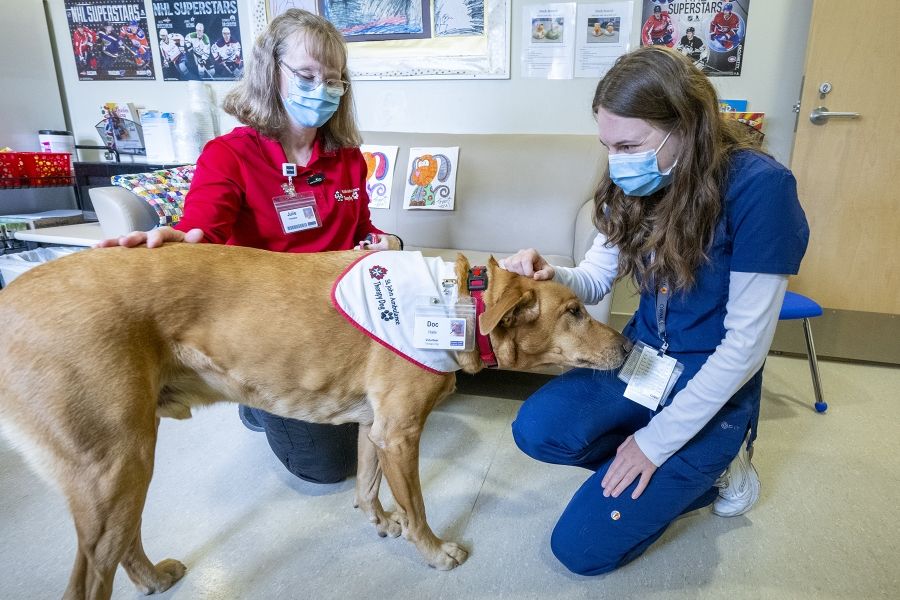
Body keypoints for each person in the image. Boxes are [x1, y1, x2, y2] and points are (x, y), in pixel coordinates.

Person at [502, 46, 809, 575]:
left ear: (686, 126)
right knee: (537, 428)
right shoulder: (642, 178)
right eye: (608, 146)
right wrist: (553, 275)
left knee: (579, 550)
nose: (618, 161)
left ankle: (719, 467)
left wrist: (654, 444)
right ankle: (671, 471)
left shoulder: (762, 189)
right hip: (645, 361)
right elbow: (595, 279)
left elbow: (743, 351)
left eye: (629, 145)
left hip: (710, 378)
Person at [97, 9, 402, 485]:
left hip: (340, 316)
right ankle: (251, 402)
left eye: (334, 80)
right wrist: (182, 239)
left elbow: (359, 225)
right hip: (272, 326)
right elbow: (203, 230)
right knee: (326, 468)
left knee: (386, 413)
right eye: (306, 75)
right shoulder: (230, 155)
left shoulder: (347, 160)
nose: (321, 89)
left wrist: (381, 242)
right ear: (270, 71)